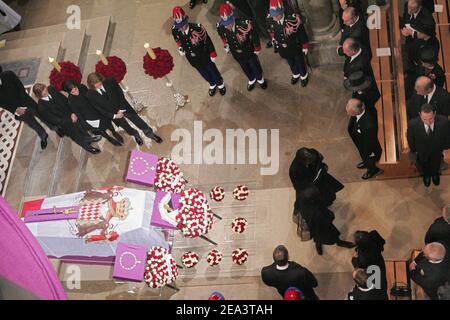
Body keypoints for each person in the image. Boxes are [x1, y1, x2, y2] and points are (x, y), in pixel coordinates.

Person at [86, 73, 162, 146]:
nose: (99, 86)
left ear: (101, 79)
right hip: (114, 115)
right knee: (126, 127)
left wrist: (121, 109)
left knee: (137, 120)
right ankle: (135, 135)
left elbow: (120, 93)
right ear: (91, 85)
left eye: (99, 83)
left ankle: (150, 133)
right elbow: (99, 109)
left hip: (123, 107)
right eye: (96, 85)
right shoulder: (90, 95)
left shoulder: (110, 81)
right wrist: (114, 116)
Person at [171, 6, 226, 97]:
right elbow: (177, 39)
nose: (181, 28)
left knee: (212, 70)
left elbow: (207, 40)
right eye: (179, 26)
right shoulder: (175, 30)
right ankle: (212, 83)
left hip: (204, 55)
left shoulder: (198, 28)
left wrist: (212, 53)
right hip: (192, 59)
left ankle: (220, 83)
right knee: (203, 72)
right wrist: (180, 47)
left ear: (186, 21)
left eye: (183, 25)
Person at [32, 83, 101, 154]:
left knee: (81, 127)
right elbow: (54, 120)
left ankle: (89, 138)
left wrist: (72, 112)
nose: (46, 92)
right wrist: (70, 120)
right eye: (44, 92)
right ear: (39, 95)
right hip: (64, 123)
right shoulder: (41, 107)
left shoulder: (51, 89)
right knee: (77, 136)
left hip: (70, 113)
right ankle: (89, 148)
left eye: (45, 89)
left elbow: (64, 99)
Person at [216, 3, 267, 91]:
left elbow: (254, 35)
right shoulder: (220, 27)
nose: (228, 26)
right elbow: (222, 36)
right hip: (236, 52)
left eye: (229, 23)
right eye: (226, 24)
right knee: (244, 66)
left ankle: (260, 78)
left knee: (254, 65)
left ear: (233, 17)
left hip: (248, 50)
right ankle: (251, 78)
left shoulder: (244, 24)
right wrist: (225, 45)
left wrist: (257, 47)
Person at [62, 80, 123, 146]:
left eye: (76, 89)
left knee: (108, 123)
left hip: (96, 109)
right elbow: (79, 115)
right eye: (72, 92)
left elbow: (92, 95)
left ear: (77, 86)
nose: (76, 92)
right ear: (69, 92)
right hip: (91, 118)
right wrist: (87, 125)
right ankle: (109, 138)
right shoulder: (71, 101)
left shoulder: (82, 87)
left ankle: (114, 133)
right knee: (101, 130)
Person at [0, 66, 48, 149]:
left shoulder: (8, 74)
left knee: (41, 114)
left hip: (26, 102)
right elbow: (2, 104)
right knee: (32, 123)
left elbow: (20, 88)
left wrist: (22, 105)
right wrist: (15, 109)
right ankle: (43, 135)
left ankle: (55, 126)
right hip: (17, 111)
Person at [298, 186, 356, 255]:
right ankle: (339, 242)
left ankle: (318, 244)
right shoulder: (317, 212)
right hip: (322, 226)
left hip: (310, 225)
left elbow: (296, 206)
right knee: (331, 235)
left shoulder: (302, 197)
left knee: (316, 237)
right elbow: (330, 217)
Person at [266, 0, 310, 86]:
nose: (274, 18)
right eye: (273, 15)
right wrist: (274, 40)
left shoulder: (292, 18)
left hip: (294, 46)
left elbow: (301, 33)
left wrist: (305, 45)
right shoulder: (270, 19)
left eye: (276, 15)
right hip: (283, 48)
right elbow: (271, 31)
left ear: (281, 12)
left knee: (300, 61)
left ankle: (303, 75)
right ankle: (296, 73)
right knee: (290, 62)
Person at [407, 103, 450, 187]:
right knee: (424, 163)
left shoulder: (444, 121)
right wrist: (414, 149)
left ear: (434, 113)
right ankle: (426, 175)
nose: (428, 122)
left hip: (437, 149)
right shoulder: (412, 124)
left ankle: (435, 174)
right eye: (424, 119)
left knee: (437, 163)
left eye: (430, 119)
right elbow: (411, 139)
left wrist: (446, 146)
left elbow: (448, 135)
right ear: (420, 114)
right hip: (422, 150)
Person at [346, 98, 383, 180]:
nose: (346, 108)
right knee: (364, 156)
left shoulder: (368, 125)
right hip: (361, 140)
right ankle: (366, 162)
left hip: (368, 146)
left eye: (348, 108)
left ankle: (373, 169)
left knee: (367, 157)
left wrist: (367, 153)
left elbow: (370, 142)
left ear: (356, 112)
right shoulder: (359, 112)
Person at [401, 0, 436, 69]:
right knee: (410, 53)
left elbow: (425, 35)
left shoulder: (428, 21)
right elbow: (405, 16)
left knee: (418, 61)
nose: (409, 11)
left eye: (412, 9)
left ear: (418, 8)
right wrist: (403, 28)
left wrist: (411, 33)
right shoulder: (407, 5)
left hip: (422, 44)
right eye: (408, 8)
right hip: (410, 40)